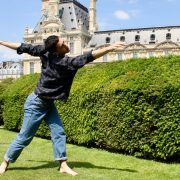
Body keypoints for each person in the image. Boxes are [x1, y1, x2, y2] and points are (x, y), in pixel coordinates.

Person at [0, 35, 125, 176]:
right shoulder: (64, 62)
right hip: (36, 103)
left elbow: (23, 46)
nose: (67, 45)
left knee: (58, 132)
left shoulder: (46, 52)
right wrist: (109, 47)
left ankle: (63, 165)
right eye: (63, 44)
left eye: (65, 42)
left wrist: (2, 41)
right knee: (25, 137)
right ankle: (5, 162)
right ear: (56, 51)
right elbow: (88, 57)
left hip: (48, 103)